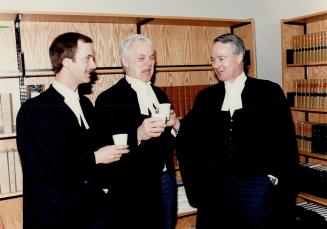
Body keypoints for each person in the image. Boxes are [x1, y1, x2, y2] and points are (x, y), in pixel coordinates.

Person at [175, 33, 300, 229]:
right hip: (215, 189)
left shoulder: (269, 91)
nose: (216, 65)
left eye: (221, 59)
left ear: (240, 56)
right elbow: (192, 137)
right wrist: (175, 125)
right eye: (213, 60)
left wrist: (272, 179)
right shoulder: (206, 97)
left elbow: (285, 141)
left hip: (256, 188)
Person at [16, 32, 129, 229]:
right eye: (88, 58)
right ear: (67, 62)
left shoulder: (85, 104)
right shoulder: (34, 111)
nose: (94, 65)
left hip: (93, 217)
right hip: (56, 219)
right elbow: (45, 171)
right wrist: (95, 158)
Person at [94, 34, 180, 229]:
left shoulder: (159, 94)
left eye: (151, 58)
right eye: (141, 58)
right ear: (125, 61)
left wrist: (173, 127)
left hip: (165, 181)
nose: (148, 63)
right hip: (133, 188)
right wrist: (138, 134)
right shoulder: (108, 99)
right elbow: (104, 147)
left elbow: (166, 142)